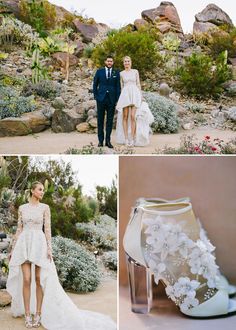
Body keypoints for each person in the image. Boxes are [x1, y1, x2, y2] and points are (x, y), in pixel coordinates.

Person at [7, 181, 116, 330]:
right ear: (32, 191)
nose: (42, 192)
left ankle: (38, 313)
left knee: (38, 279)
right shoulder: (22, 208)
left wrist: (49, 248)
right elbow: (19, 229)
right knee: (26, 279)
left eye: (43, 190)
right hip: (24, 244)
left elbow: (47, 229)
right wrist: (13, 249)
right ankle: (27, 314)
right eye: (40, 189)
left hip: (39, 244)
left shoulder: (45, 208)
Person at [116, 56, 154, 147]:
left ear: (131, 62)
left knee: (133, 116)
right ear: (123, 63)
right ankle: (126, 139)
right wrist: (120, 98)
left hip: (135, 94)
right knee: (125, 116)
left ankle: (132, 139)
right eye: (125, 61)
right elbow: (121, 86)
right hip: (125, 95)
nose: (126, 63)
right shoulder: (121, 73)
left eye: (128, 61)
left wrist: (141, 96)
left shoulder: (135, 71)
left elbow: (138, 84)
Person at [93, 55, 121, 148]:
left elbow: (118, 87)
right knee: (100, 120)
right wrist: (96, 96)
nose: (109, 63)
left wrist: (117, 99)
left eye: (111, 61)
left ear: (113, 62)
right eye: (108, 61)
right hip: (101, 99)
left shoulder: (116, 72)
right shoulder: (99, 71)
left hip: (111, 100)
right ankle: (100, 141)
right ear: (105, 62)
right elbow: (95, 84)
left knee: (109, 121)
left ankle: (108, 141)